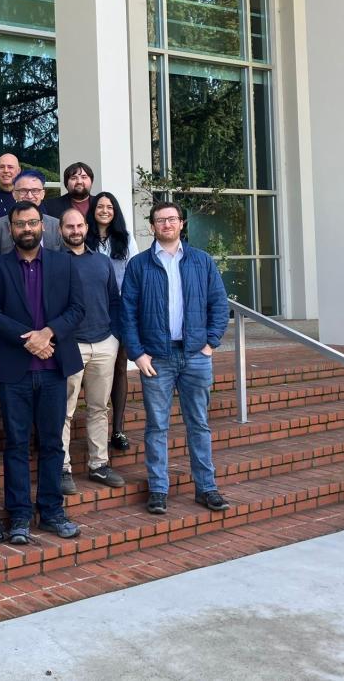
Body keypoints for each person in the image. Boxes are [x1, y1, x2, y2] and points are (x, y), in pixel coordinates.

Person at [0, 201, 85, 544]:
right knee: (16, 445)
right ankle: (20, 515)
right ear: (11, 229)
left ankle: (52, 511)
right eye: (20, 223)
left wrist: (48, 333)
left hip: (55, 368)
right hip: (15, 372)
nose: (27, 228)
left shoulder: (63, 264)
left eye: (32, 223)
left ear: (43, 226)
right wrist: (29, 340)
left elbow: (77, 309)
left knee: (53, 443)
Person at [120, 201, 230, 515]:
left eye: (172, 219)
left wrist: (210, 344)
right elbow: (126, 313)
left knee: (199, 424)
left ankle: (206, 488)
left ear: (181, 223)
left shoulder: (201, 261)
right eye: (160, 220)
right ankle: (158, 490)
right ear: (152, 226)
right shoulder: (139, 265)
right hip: (156, 358)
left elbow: (219, 306)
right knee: (156, 427)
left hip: (196, 354)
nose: (166, 224)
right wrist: (137, 354)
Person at [58, 209, 125, 494]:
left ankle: (99, 465)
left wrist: (115, 336)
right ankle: (62, 468)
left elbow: (113, 299)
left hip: (104, 342)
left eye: (79, 225)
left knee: (99, 407)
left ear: (87, 227)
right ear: (61, 230)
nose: (75, 230)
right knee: (65, 410)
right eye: (69, 226)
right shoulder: (53, 262)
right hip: (71, 344)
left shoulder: (102, 262)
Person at [85, 191, 141, 453]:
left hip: (118, 311)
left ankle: (117, 429)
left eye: (110, 206)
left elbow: (134, 275)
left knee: (119, 368)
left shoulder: (126, 240)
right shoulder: (83, 237)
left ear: (115, 211)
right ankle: (91, 424)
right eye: (100, 206)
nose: (105, 210)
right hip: (89, 310)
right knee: (89, 369)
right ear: (93, 209)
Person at [0, 169, 62, 252]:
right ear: (14, 194)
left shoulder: (56, 225)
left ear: (42, 194)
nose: (30, 196)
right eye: (23, 191)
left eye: (35, 191)